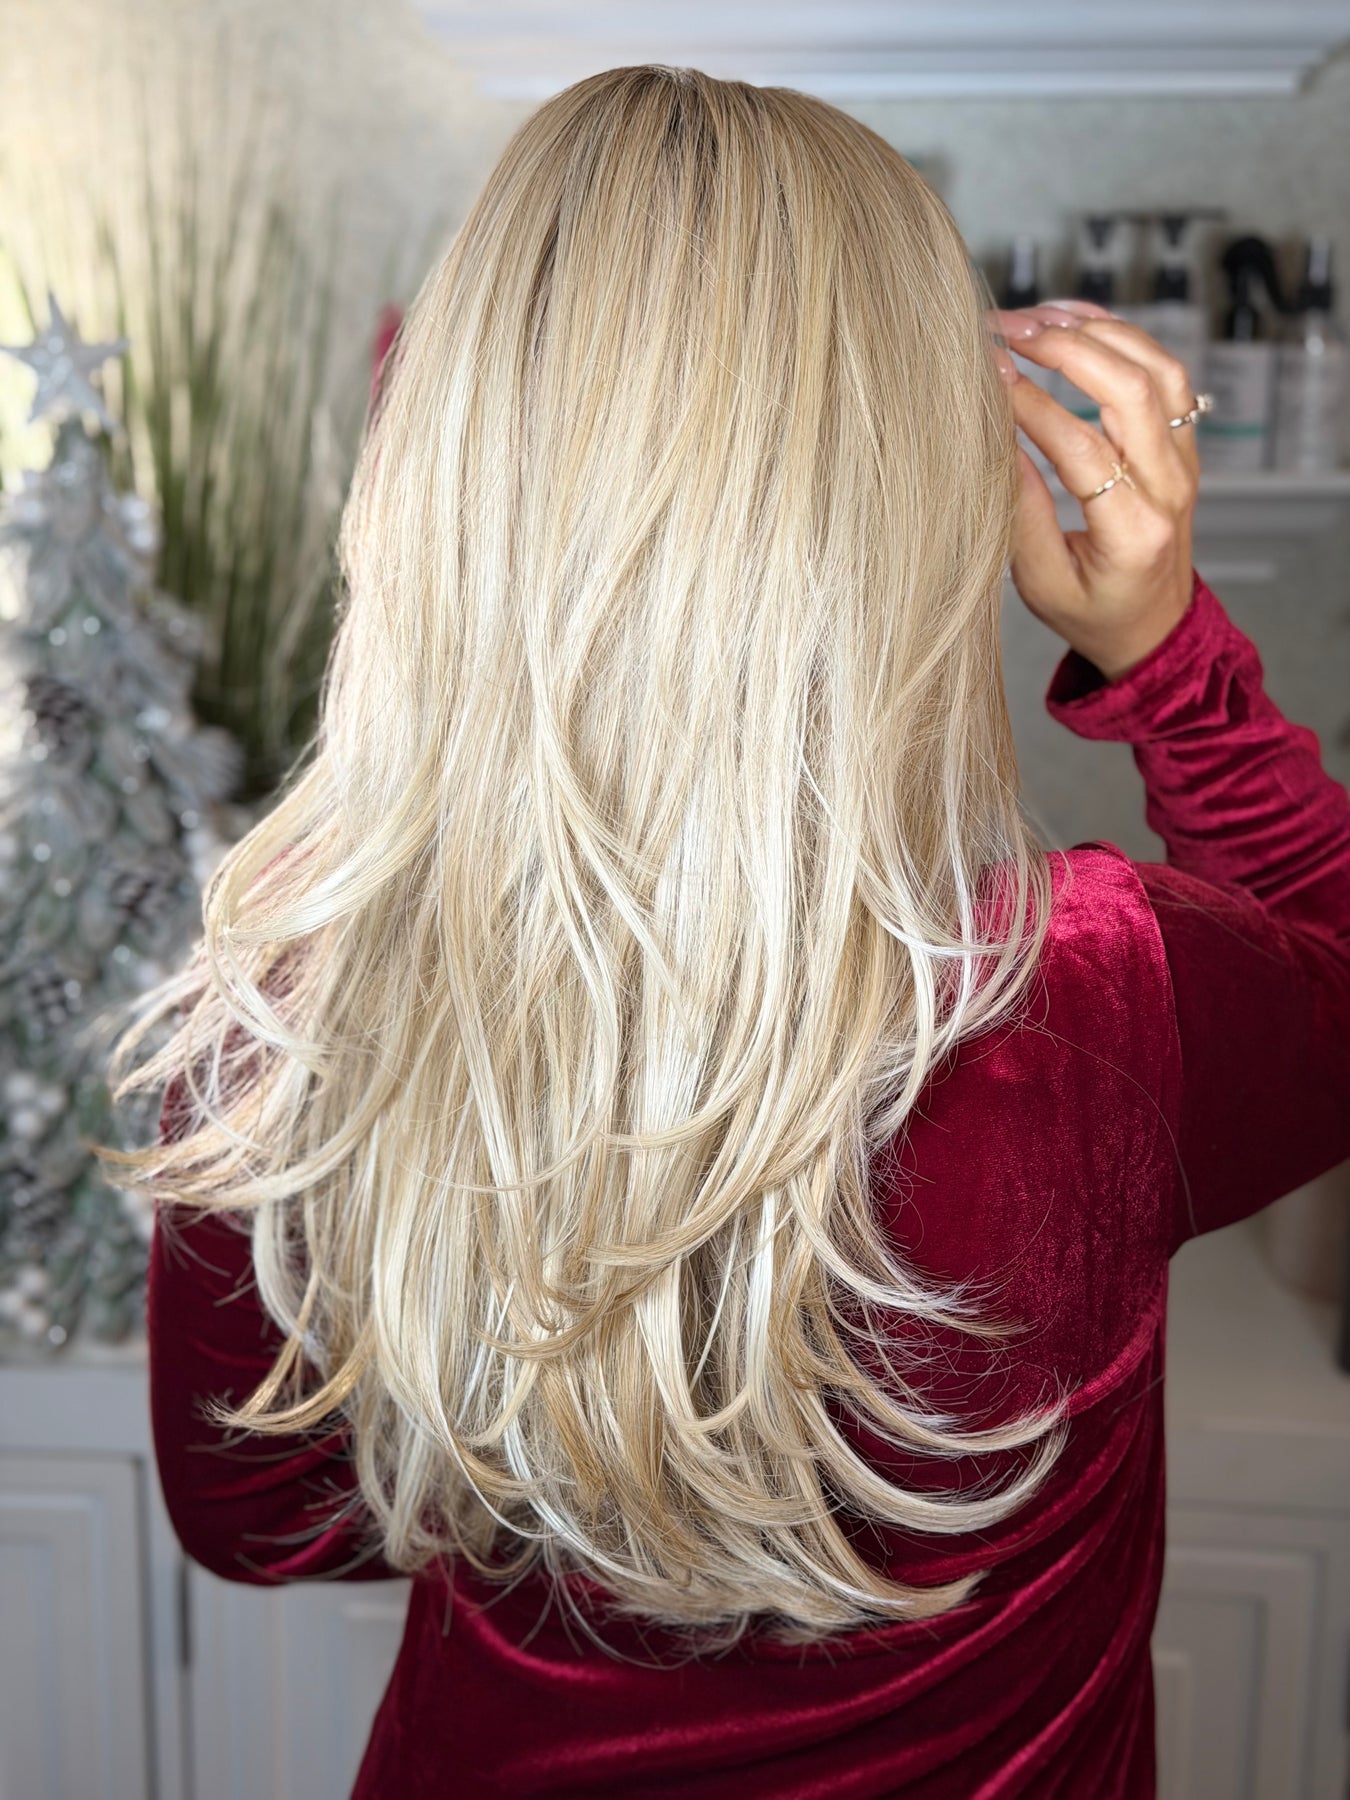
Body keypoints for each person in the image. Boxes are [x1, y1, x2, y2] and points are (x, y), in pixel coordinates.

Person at [101, 64, 1350, 1799]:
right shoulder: (1095, 993)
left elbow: (263, 1524)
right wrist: (1167, 657)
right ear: (918, 488)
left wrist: (560, 1451)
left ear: (453, 461)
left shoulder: (291, 1010)